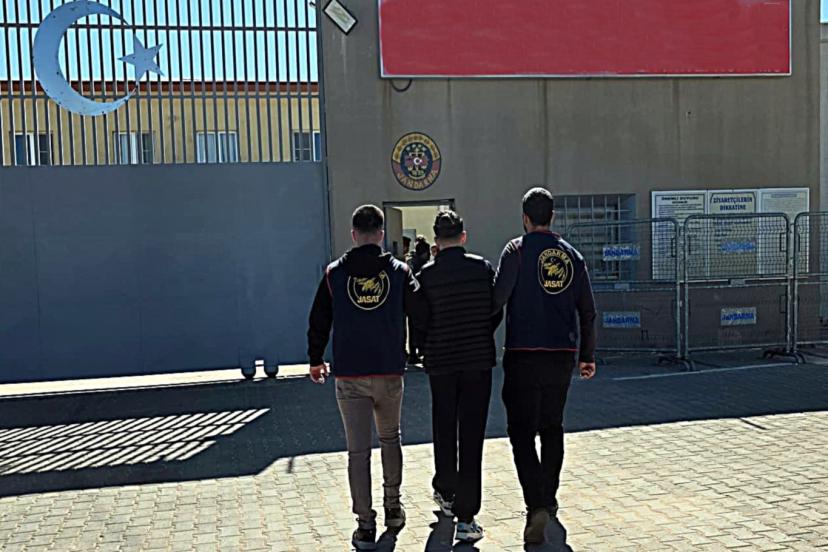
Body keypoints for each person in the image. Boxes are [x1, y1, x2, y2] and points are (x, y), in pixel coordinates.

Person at [307, 204, 420, 550]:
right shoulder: (400, 272)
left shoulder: (334, 274)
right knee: (390, 438)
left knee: (358, 452)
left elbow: (319, 319)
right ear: (381, 235)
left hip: (350, 374)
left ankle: (365, 524)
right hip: (389, 371)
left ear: (354, 235)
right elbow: (421, 312)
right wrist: (421, 351)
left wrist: (315, 359)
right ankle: (393, 508)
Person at [492, 188, 597, 545]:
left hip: (522, 353)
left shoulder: (516, 251)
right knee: (552, 427)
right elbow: (588, 311)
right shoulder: (573, 256)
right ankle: (548, 499)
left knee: (521, 432)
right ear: (552, 217)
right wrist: (587, 356)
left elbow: (497, 298)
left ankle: (535, 503)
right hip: (560, 354)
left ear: (525, 218)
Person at [411, 210, 501, 543]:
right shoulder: (482, 269)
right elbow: (495, 310)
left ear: (436, 240)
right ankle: (467, 517)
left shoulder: (426, 275)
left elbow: (419, 319)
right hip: (477, 361)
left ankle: (446, 492)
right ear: (463, 237)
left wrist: (427, 345)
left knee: (444, 426)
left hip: (442, 361)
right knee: (472, 436)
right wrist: (481, 333)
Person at [406, 236, 431, 365]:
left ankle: (413, 354)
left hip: (411, 301)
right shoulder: (423, 267)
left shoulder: (411, 262)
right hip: (422, 300)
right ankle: (422, 352)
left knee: (412, 328)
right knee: (423, 328)